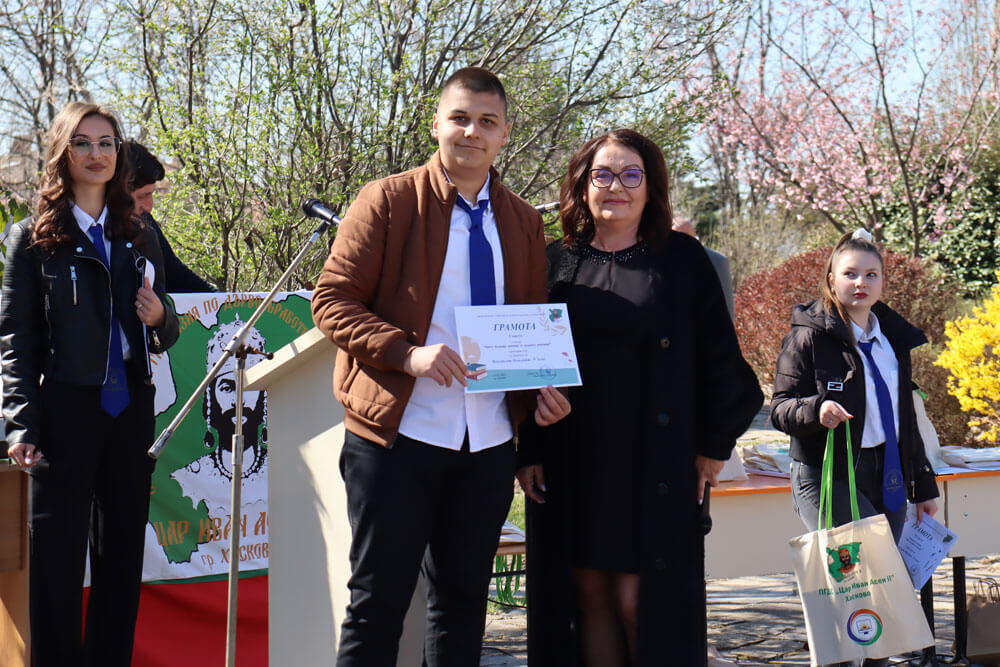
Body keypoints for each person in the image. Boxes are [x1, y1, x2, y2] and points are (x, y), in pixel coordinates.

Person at [310, 66, 571, 666]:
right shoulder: (387, 200)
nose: (472, 132)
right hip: (397, 436)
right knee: (377, 605)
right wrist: (407, 354)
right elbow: (331, 300)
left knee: (461, 609)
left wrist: (542, 390)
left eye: (487, 122)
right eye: (460, 118)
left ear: (504, 133)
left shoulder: (524, 222)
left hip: (487, 441)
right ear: (436, 124)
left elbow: (531, 325)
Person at [515, 129, 763, 667]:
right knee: (589, 597)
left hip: (657, 463)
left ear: (651, 188)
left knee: (639, 603)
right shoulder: (554, 261)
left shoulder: (683, 260)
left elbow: (722, 362)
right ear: (582, 186)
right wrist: (531, 440)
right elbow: (527, 364)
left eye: (631, 175)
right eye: (602, 175)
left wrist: (713, 447)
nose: (616, 187)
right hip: (573, 459)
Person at [0, 102, 180, 666]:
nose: (96, 154)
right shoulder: (32, 238)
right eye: (82, 143)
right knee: (55, 563)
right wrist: (21, 424)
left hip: (130, 411)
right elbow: (15, 340)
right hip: (64, 412)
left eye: (106, 143)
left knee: (121, 561)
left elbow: (166, 321)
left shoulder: (139, 231)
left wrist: (162, 318)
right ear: (63, 153)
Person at [770, 229, 939, 667]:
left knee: (881, 587)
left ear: (883, 281)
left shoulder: (892, 339)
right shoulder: (808, 336)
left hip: (888, 473)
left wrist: (924, 485)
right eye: (849, 274)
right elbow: (781, 409)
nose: (860, 282)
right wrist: (817, 409)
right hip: (827, 473)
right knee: (863, 579)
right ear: (831, 279)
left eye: (871, 274)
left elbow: (904, 419)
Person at [124, 139, 217, 292]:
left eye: (151, 194)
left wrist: (223, 300)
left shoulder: (144, 223)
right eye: (142, 196)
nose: (149, 206)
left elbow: (176, 275)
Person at [672, 214, 734, 319]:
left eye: (686, 236)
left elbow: (726, 312)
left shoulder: (716, 262)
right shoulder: (655, 262)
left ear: (694, 234)